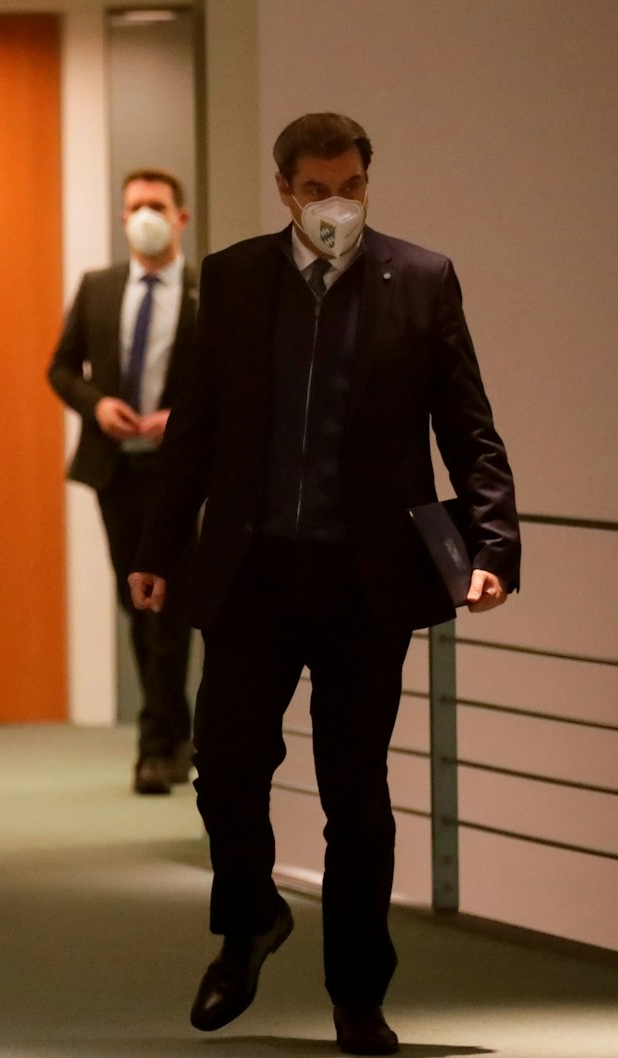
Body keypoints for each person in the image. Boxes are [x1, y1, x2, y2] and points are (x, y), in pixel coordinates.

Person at [130, 114, 520, 1056]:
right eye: (316, 189)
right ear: (285, 190)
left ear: (366, 185)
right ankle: (250, 920)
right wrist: (156, 546)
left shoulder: (420, 279)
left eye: (350, 187)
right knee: (225, 767)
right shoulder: (233, 278)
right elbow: (195, 426)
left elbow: (468, 427)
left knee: (356, 793)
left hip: (365, 579)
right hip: (254, 570)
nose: (334, 204)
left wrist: (494, 546)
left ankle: (358, 994)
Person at [48, 167, 201, 794]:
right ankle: (174, 732)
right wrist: (97, 406)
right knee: (137, 601)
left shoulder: (206, 290)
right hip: (116, 470)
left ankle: (156, 743)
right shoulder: (99, 287)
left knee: (173, 599)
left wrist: (180, 417)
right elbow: (61, 369)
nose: (145, 217)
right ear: (122, 218)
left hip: (180, 469)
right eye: (135, 207)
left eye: (157, 206)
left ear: (180, 217)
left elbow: (230, 379)